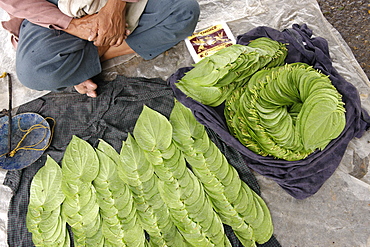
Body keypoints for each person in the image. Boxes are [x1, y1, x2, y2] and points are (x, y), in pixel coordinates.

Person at [0, 0, 200, 97]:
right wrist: (71, 24)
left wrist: (115, 7)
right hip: (52, 7)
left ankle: (85, 61)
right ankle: (90, 55)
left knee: (184, 12)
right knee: (36, 73)